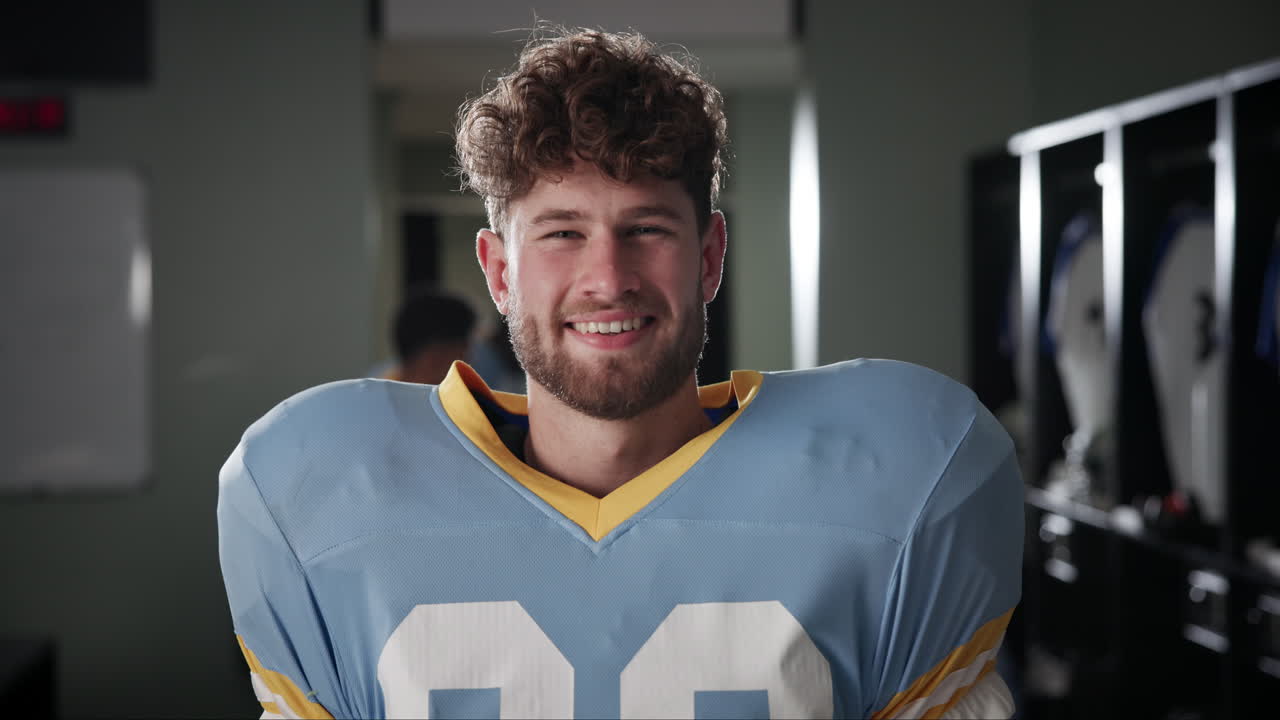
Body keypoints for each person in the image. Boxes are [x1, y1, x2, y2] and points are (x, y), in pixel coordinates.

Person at [218, 27, 1023, 719]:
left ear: (709, 257)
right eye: (563, 233)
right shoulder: (314, 495)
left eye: (646, 228)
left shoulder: (905, 478)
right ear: (499, 273)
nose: (609, 277)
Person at [380, 286, 476, 385]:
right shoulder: (374, 395)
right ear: (436, 355)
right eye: (463, 351)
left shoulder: (374, 389)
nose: (468, 362)